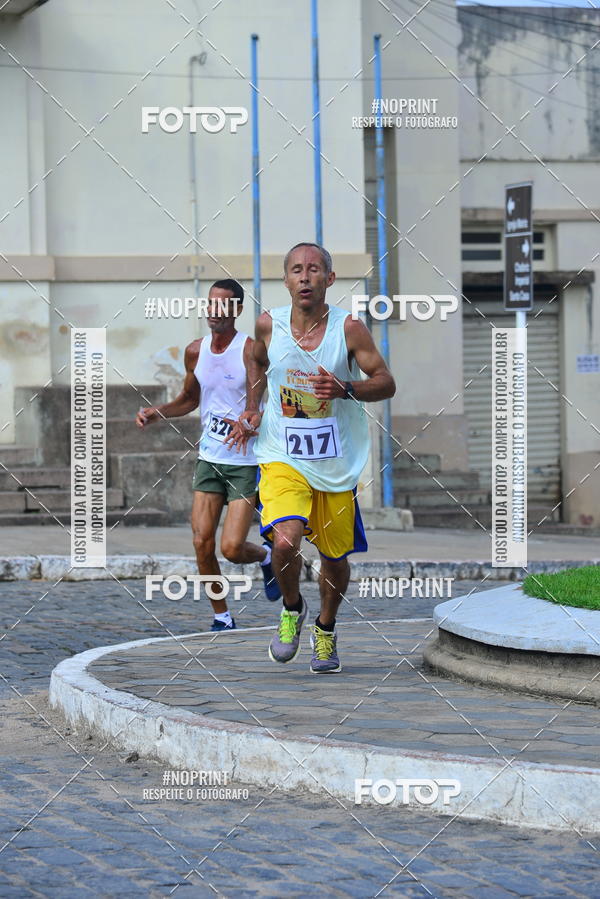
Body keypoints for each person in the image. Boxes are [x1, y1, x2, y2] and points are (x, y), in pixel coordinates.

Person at [227, 244, 395, 670]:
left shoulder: (350, 329)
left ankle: (324, 626)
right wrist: (252, 407)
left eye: (314, 270)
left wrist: (346, 389)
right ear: (285, 281)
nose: (305, 277)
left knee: (334, 559)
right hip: (281, 454)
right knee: (285, 540)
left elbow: (386, 382)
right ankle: (291, 607)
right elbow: (256, 363)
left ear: (329, 279)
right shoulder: (269, 324)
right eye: (296, 270)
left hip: (335, 463)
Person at [136, 278, 280, 632]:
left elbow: (259, 398)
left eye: (224, 304)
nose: (215, 310)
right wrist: (159, 411)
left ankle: (266, 556)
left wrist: (251, 417)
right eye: (211, 304)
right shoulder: (195, 351)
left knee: (231, 548)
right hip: (210, 458)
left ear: (237, 311)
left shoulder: (250, 350)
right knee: (201, 541)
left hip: (244, 461)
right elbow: (189, 398)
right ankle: (222, 616)